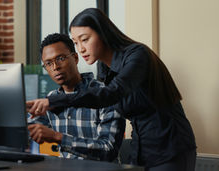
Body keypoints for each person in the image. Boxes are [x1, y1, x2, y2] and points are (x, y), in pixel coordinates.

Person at [27, 8, 196, 171]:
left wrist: (53, 101)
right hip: (141, 149)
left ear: (103, 34)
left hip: (170, 147)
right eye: (76, 42)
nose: (81, 49)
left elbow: (111, 94)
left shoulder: (138, 55)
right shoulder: (104, 68)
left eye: (85, 40)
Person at [27, 33, 125, 162]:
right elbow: (28, 131)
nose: (55, 67)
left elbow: (108, 150)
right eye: (48, 63)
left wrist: (58, 137)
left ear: (75, 58)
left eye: (60, 58)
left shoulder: (104, 94)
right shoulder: (51, 98)